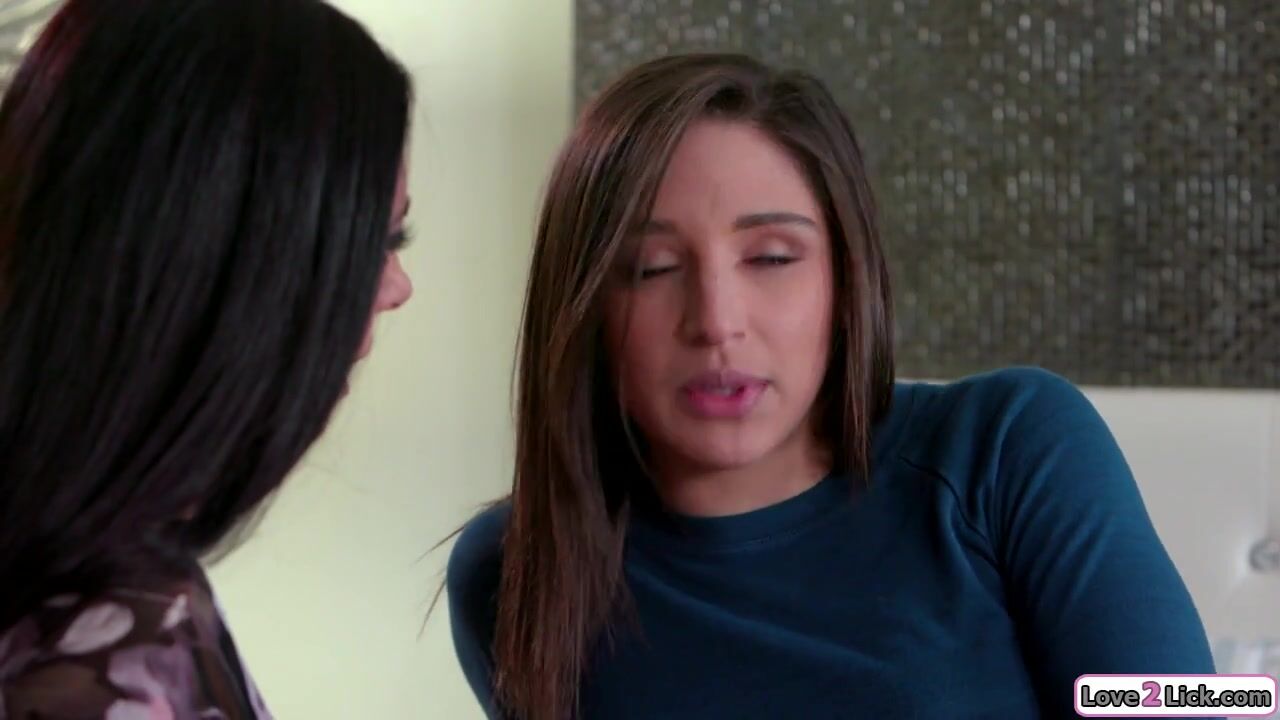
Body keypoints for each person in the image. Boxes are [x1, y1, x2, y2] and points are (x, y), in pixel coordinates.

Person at [445, 53, 1218, 720]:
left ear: (847, 281)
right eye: (653, 269)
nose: (717, 322)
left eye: (772, 258)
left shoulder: (1010, 444)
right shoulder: (515, 570)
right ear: (582, 307)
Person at [0, 0, 413, 716]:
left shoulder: (117, 595)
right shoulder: (101, 668)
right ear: (224, 260)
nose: (398, 288)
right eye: (375, 242)